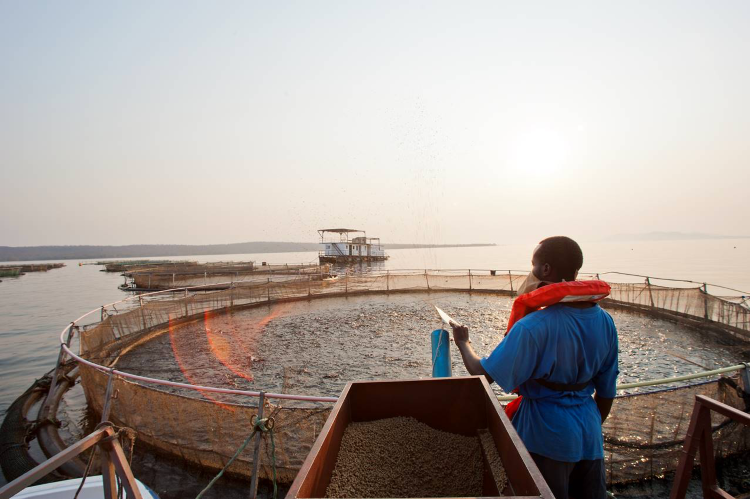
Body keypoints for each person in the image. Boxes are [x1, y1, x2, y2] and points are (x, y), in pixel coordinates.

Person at [451, 236, 618, 499]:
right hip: (590, 435)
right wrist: (586, 425)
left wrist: (463, 342)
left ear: (546, 270)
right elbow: (607, 393)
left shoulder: (532, 327)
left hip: (545, 436)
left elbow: (482, 373)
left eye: (534, 264)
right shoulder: (605, 321)